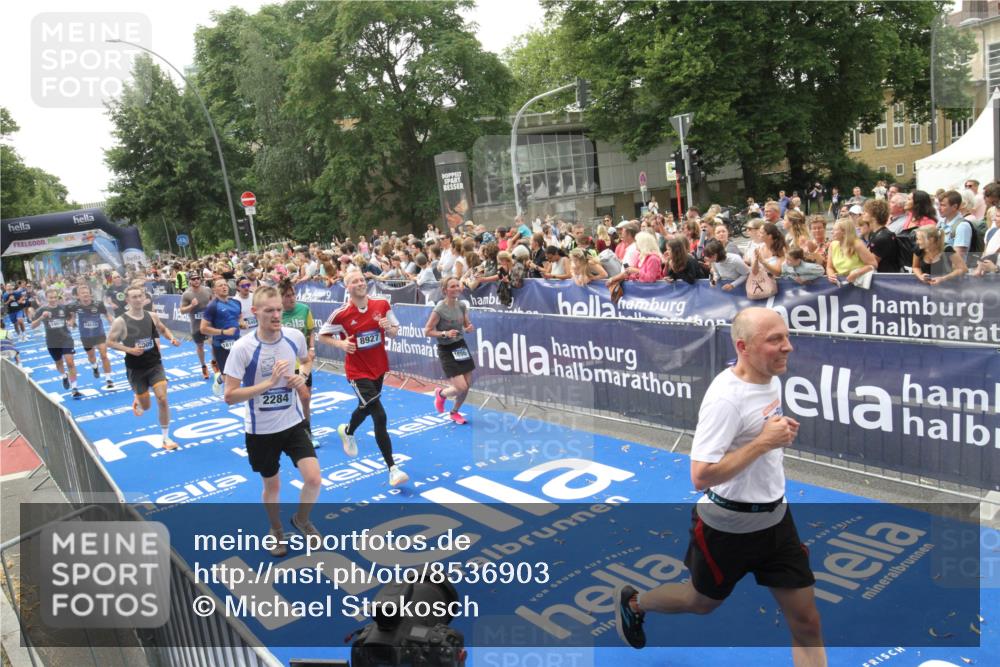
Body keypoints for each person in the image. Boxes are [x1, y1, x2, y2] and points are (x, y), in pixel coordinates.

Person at [614, 307, 826, 667]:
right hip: (727, 529)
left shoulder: (770, 377)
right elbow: (700, 476)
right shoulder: (725, 399)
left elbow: (759, 435)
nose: (787, 347)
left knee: (807, 622)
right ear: (743, 347)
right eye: (775, 340)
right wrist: (763, 442)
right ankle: (635, 603)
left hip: (776, 521)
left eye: (787, 337)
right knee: (700, 602)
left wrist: (773, 436)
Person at [222, 286, 319, 557]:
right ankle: (276, 530)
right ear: (255, 312)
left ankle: (301, 520)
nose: (276, 315)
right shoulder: (243, 348)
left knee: (314, 479)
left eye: (279, 310)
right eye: (269, 311)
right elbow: (229, 396)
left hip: (293, 423)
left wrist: (301, 375)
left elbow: (306, 361)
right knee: (272, 486)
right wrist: (268, 383)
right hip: (261, 430)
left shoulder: (294, 336)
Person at [317, 270, 409, 487]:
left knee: (366, 407)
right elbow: (322, 335)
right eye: (354, 281)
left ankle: (347, 431)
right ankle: (393, 469)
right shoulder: (341, 314)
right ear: (347, 287)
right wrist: (341, 344)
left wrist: (389, 328)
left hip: (378, 367)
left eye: (362, 280)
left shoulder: (381, 304)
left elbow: (395, 331)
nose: (360, 283)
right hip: (357, 372)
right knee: (379, 414)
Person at [106, 285, 181, 450]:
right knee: (146, 406)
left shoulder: (152, 316)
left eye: (140, 296)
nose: (138, 299)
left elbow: (162, 329)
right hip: (136, 369)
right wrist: (129, 350)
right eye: (134, 297)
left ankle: (166, 438)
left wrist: (171, 338)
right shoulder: (121, 321)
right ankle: (139, 401)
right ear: (127, 300)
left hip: (154, 364)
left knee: (162, 399)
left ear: (144, 298)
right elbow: (109, 342)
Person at [425, 277, 476, 425]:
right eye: (452, 286)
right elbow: (427, 331)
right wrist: (444, 333)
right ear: (445, 290)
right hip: (446, 349)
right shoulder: (439, 309)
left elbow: (466, 325)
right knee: (461, 387)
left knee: (467, 385)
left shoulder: (462, 306)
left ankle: (454, 412)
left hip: (460, 346)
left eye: (457, 285)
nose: (456, 288)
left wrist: (468, 328)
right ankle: (441, 394)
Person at [279, 278, 320, 448]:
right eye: (287, 296)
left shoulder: (304, 309)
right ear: (280, 298)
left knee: (305, 398)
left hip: (303, 363)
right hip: (284, 365)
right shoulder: (276, 314)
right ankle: (285, 432)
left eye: (293, 294)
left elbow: (311, 330)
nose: (292, 298)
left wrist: (312, 347)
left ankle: (307, 431)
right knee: (288, 400)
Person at [31, 287, 81, 398]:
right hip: (52, 341)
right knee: (59, 363)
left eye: (55, 297)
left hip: (66, 338)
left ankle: (74, 388)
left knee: (70, 362)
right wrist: (41, 317)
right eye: (51, 298)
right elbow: (33, 326)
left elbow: (72, 315)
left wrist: (71, 322)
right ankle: (64, 375)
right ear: (46, 298)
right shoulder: (41, 310)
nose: (53, 300)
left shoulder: (63, 307)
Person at [201, 277, 245, 392]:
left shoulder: (236, 302)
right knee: (227, 377)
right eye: (220, 285)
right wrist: (224, 332)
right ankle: (219, 379)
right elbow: (203, 328)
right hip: (221, 344)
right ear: (214, 290)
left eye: (225, 284)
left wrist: (241, 322)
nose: (224, 287)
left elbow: (239, 315)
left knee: (242, 370)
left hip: (237, 341)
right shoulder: (212, 306)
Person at [72, 285, 116, 389]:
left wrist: (113, 325)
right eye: (83, 293)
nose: (85, 294)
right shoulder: (75, 306)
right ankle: (94, 366)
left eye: (87, 292)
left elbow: (107, 315)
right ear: (78, 296)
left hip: (99, 334)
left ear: (90, 294)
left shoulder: (98, 304)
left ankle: (108, 379)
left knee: (104, 355)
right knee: (91, 357)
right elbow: (72, 317)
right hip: (86, 336)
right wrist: (71, 322)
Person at [180, 273, 213, 379]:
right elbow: (182, 311)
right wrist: (191, 305)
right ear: (190, 281)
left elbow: (214, 301)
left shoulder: (207, 290)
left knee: (213, 343)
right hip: (196, 325)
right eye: (193, 279)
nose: (196, 280)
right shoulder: (187, 294)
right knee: (200, 346)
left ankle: (214, 362)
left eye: (198, 278)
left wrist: (211, 304)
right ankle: (203, 366)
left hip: (209, 323)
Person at [826, 219, 878, 285]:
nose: (832, 232)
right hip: (844, 285)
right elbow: (829, 267)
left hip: (862, 284)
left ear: (844, 232)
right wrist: (831, 275)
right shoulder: (832, 245)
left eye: (835, 230)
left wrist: (857, 273)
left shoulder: (857, 244)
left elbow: (874, 264)